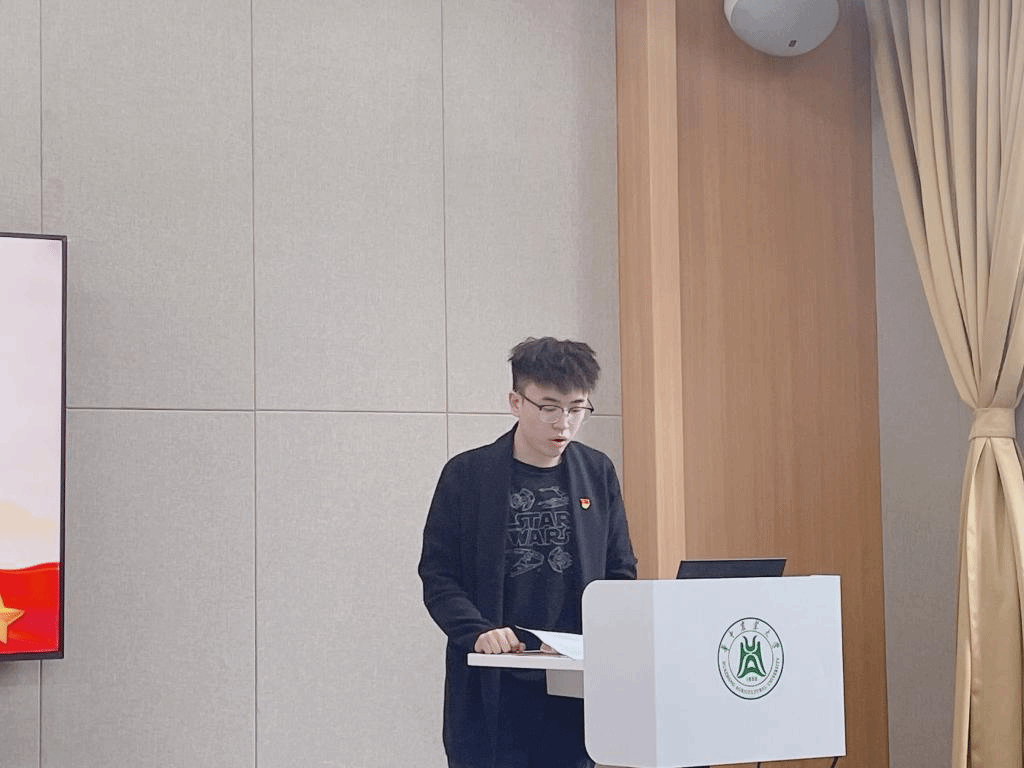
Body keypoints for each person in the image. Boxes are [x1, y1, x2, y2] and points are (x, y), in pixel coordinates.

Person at [419, 336, 637, 768]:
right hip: (494, 680)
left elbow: (620, 571)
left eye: (577, 409)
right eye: (549, 408)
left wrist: (599, 636)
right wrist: (477, 631)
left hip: (572, 684)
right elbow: (438, 575)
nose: (564, 424)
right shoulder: (467, 475)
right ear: (516, 402)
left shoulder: (597, 472)